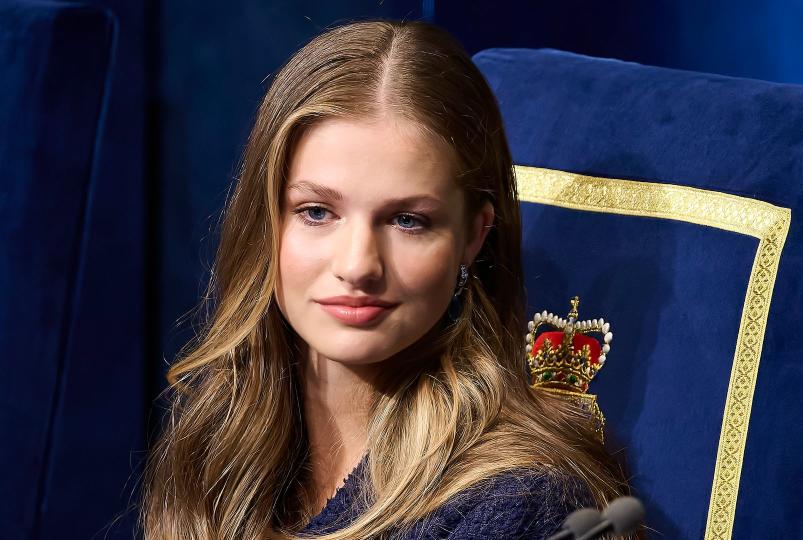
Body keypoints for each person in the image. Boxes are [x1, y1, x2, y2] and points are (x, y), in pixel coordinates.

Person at [141, 19, 635, 540]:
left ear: (473, 236)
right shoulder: (217, 440)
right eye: (315, 212)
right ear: (267, 222)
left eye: (407, 221)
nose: (357, 265)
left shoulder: (519, 506)